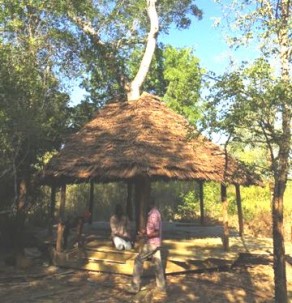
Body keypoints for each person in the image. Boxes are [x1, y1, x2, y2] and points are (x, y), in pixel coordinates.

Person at [128, 198, 166, 294]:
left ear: (149, 204)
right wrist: (144, 231)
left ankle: (135, 287)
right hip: (156, 243)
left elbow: (156, 232)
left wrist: (144, 235)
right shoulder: (155, 213)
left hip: (152, 243)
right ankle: (161, 286)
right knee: (158, 264)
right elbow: (153, 229)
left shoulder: (153, 215)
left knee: (138, 261)